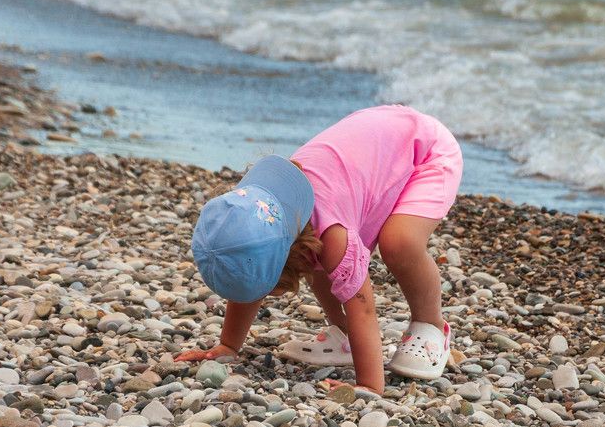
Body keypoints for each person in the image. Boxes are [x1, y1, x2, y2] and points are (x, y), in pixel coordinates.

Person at [175, 105, 463, 395]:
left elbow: (362, 305)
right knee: (317, 257)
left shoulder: (328, 229)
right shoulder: (262, 213)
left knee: (399, 243)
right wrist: (228, 346)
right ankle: (345, 337)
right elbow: (251, 260)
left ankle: (431, 326)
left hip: (424, 150)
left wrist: (369, 385)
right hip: (376, 141)